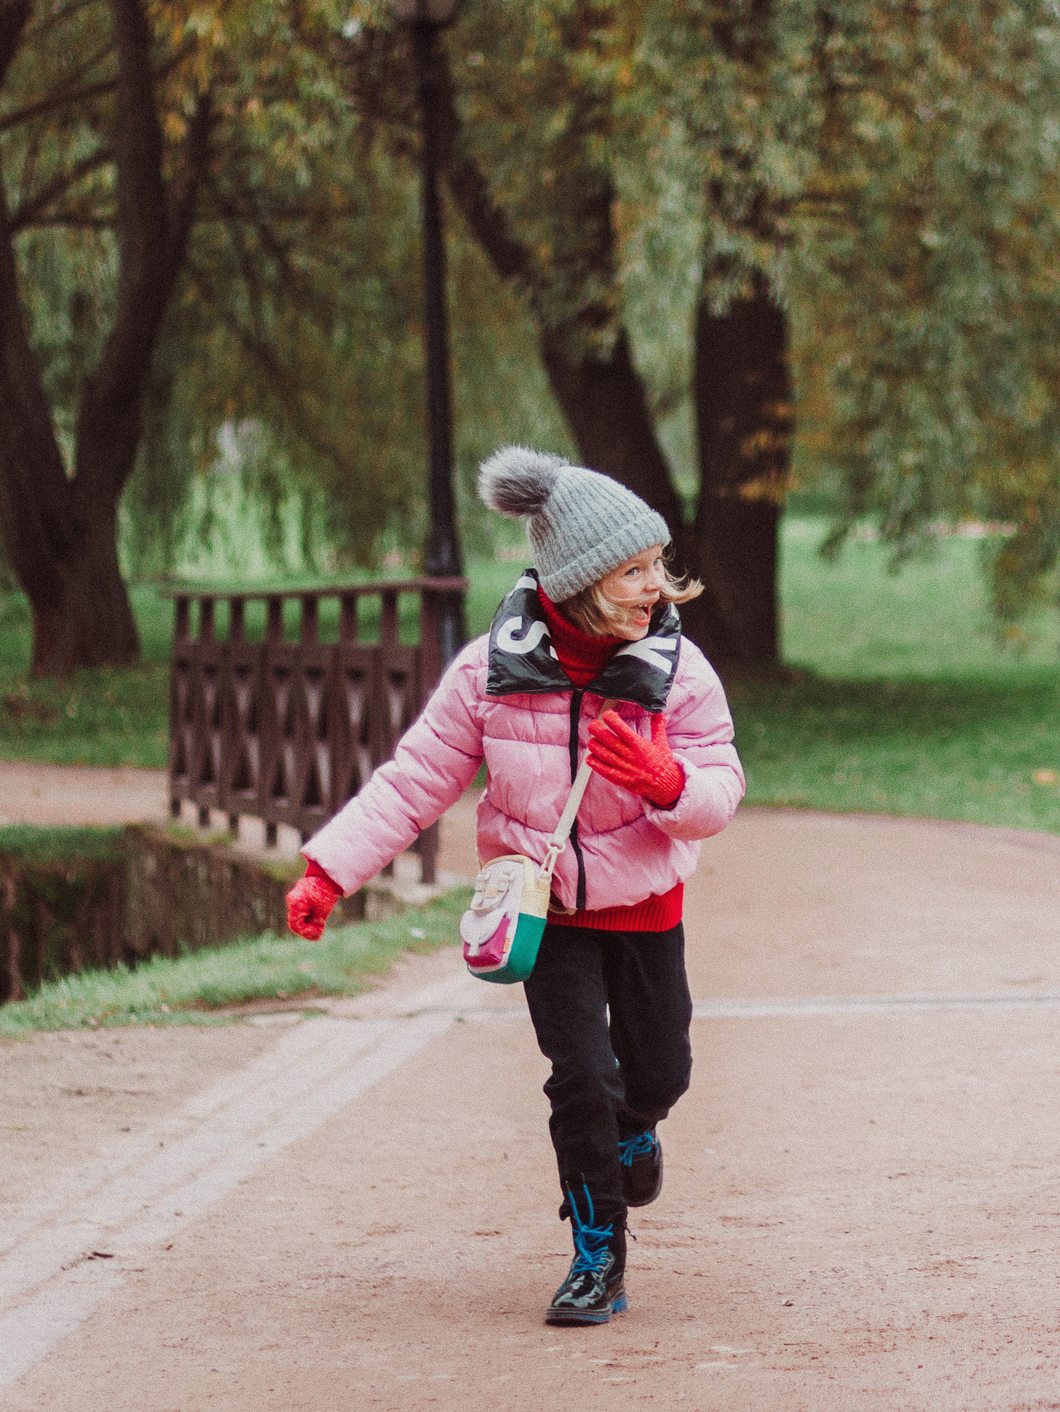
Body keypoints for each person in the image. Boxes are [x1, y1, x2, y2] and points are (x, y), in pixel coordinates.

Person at [282, 447, 745, 1324]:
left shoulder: (678, 670)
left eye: (656, 564)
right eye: (633, 571)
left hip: (647, 905)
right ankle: (597, 1255)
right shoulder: (491, 669)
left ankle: (637, 1128)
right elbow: (414, 780)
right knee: (581, 1076)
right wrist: (329, 869)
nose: (656, 586)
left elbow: (720, 785)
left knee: (659, 1071)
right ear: (578, 579)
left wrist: (667, 781)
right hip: (548, 908)